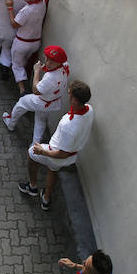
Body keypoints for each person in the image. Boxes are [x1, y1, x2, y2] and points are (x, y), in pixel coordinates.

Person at [19, 80, 94, 210]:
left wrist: (41, 151)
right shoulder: (89, 110)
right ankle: (46, 199)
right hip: (72, 156)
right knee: (52, 170)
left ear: (75, 100)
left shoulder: (68, 126)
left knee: (31, 153)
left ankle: (32, 186)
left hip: (56, 154)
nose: (68, 96)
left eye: (70, 95)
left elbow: (61, 153)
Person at [3, 45, 70, 143]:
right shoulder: (65, 66)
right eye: (48, 59)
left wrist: (37, 71)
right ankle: (35, 145)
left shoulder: (50, 77)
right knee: (40, 120)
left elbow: (36, 90)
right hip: (53, 103)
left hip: (41, 101)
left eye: (53, 61)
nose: (48, 63)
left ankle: (11, 123)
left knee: (21, 102)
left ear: (59, 62)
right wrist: (45, 67)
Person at [8, 0, 46, 94]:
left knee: (16, 65)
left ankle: (22, 89)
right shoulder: (42, 2)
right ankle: (24, 77)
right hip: (35, 42)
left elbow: (14, 24)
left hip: (22, 43)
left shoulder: (26, 11)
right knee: (23, 61)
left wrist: (10, 8)